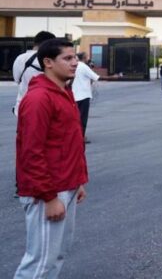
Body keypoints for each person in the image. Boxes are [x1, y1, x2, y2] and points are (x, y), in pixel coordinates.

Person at [15, 38, 88, 278]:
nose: (75, 63)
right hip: (47, 192)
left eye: (75, 57)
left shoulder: (63, 93)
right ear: (48, 62)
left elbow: (69, 142)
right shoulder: (39, 98)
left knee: (56, 256)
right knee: (39, 263)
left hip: (66, 185)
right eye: (67, 58)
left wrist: (78, 181)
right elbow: (31, 152)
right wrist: (48, 197)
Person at [12, 31, 56, 116]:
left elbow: (17, 80)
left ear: (35, 43)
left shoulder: (20, 58)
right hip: (47, 107)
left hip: (23, 106)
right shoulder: (53, 59)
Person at [72, 52, 100, 143]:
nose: (89, 58)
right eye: (87, 57)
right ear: (84, 58)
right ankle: (81, 137)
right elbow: (96, 77)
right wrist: (114, 77)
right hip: (83, 95)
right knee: (82, 118)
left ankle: (75, 136)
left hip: (74, 95)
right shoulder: (84, 66)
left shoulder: (75, 65)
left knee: (75, 117)